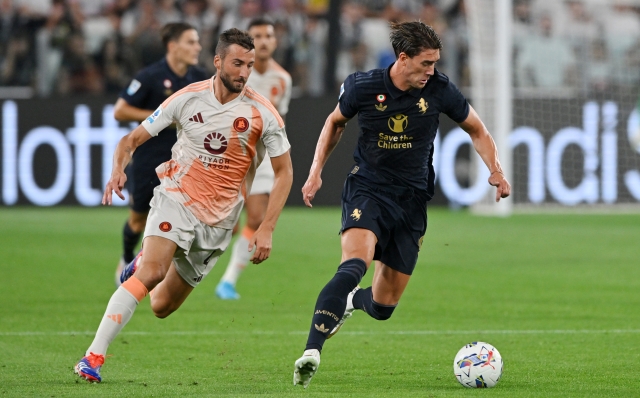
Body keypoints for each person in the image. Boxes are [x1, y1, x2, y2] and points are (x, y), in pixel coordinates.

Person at [292, 21, 511, 388]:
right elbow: (334, 123)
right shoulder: (364, 86)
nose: (432, 71)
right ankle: (312, 351)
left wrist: (496, 170)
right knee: (353, 265)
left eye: (436, 62)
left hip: (411, 203)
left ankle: (351, 303)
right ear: (403, 58)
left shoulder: (440, 89)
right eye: (426, 63)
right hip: (368, 191)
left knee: (383, 307)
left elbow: (477, 129)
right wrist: (315, 173)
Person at [74, 28, 293, 383]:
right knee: (152, 274)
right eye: (237, 63)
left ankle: (145, 258)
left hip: (220, 223)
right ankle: (93, 357)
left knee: (161, 307)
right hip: (177, 198)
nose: (244, 72)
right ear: (218, 61)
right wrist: (118, 168)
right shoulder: (187, 98)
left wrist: (267, 226)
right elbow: (132, 139)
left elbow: (284, 173)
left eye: (250, 65)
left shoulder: (262, 113)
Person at [113, 22, 208, 285]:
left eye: (197, 41)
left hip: (185, 165)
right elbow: (120, 110)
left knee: (184, 221)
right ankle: (126, 257)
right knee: (137, 220)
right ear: (172, 46)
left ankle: (164, 270)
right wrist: (162, 116)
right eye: (191, 41)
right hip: (148, 161)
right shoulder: (149, 77)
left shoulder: (201, 79)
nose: (197, 47)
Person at [215, 17, 292, 300]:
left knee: (257, 217)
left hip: (259, 159)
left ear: (275, 40)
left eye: (268, 35)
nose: (263, 40)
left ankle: (228, 281)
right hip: (229, 157)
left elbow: (278, 119)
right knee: (227, 224)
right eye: (257, 35)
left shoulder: (282, 79)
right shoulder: (234, 72)